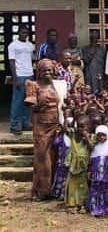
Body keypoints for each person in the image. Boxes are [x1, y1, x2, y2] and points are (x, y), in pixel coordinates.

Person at [24, 59, 67, 201]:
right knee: (43, 158)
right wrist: (39, 105)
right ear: (39, 72)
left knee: (55, 156)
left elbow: (63, 103)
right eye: (44, 70)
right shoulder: (33, 85)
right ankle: (41, 190)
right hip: (41, 127)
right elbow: (30, 106)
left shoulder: (58, 86)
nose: (47, 73)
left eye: (49, 70)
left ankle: (54, 189)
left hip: (55, 125)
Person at [8, 24, 34, 134]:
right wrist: (15, 79)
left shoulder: (30, 45)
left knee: (28, 101)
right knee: (17, 101)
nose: (24, 34)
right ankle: (14, 125)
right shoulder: (13, 45)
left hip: (30, 75)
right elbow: (12, 62)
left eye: (26, 33)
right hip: (19, 76)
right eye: (22, 32)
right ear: (18, 33)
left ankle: (25, 122)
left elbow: (31, 60)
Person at [64, 115, 92, 213]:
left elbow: (92, 148)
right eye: (79, 126)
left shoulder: (91, 137)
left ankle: (82, 204)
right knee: (72, 186)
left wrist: (87, 137)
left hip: (84, 166)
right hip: (73, 165)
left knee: (82, 187)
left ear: (89, 127)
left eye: (83, 127)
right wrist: (68, 118)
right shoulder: (74, 135)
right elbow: (66, 129)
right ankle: (72, 205)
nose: (81, 129)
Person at [87, 125, 108, 217]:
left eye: (103, 135)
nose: (101, 137)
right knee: (95, 191)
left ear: (107, 135)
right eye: (99, 135)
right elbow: (91, 161)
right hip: (96, 175)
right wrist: (90, 171)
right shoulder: (95, 148)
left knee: (106, 191)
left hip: (106, 175)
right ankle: (95, 208)